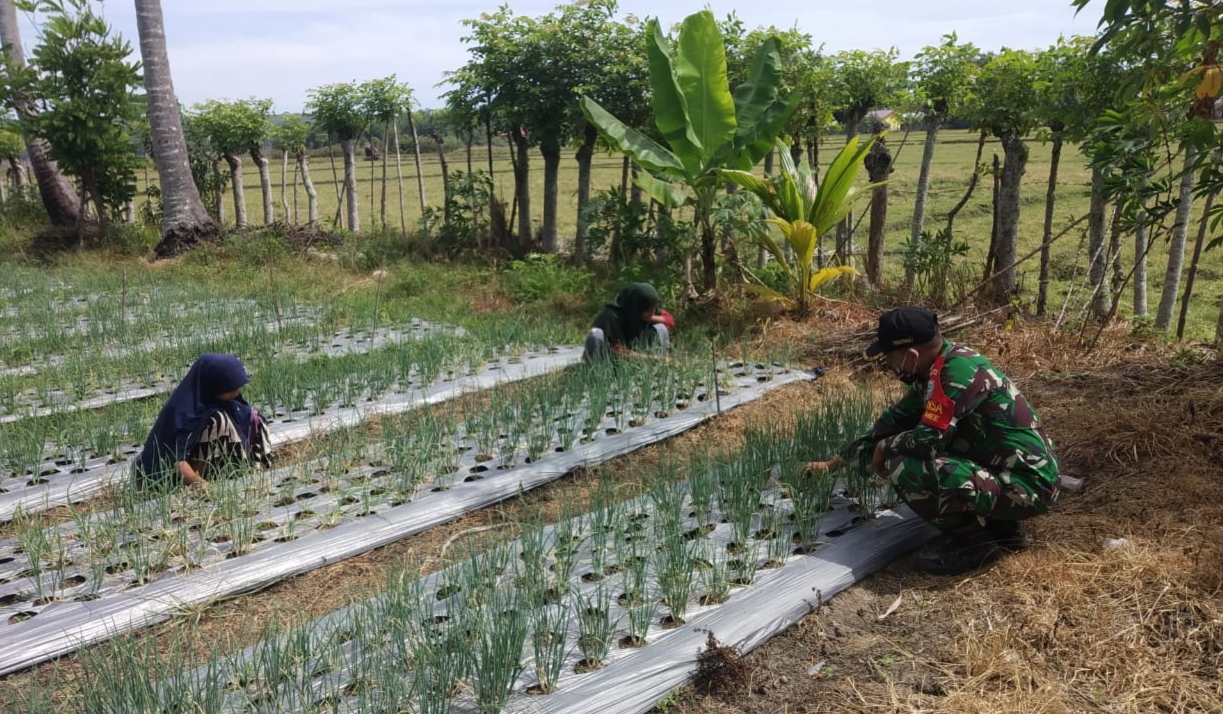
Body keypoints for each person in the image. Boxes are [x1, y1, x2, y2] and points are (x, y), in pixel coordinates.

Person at [806, 306, 1060, 574]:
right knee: (903, 447)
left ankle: (974, 546)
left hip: (1030, 486)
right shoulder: (935, 368)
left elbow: (925, 442)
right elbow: (889, 424)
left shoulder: (956, 373)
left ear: (912, 355)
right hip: (1009, 475)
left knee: (903, 466)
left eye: (890, 358)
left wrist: (884, 447)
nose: (890, 366)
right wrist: (832, 465)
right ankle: (1004, 529)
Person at [135, 353, 271, 490]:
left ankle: (251, 472)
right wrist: (203, 486)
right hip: (169, 476)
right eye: (231, 389)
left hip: (209, 466)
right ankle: (207, 477)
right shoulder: (183, 412)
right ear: (214, 385)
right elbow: (176, 460)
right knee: (219, 421)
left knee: (254, 417)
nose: (236, 393)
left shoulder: (227, 402)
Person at [582, 282, 675, 363]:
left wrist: (649, 318)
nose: (653, 312)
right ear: (636, 307)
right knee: (595, 334)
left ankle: (657, 369)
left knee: (661, 328)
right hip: (609, 360)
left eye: (654, 308)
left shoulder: (644, 312)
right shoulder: (610, 316)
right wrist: (653, 359)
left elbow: (670, 320)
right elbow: (617, 351)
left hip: (636, 357)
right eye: (650, 310)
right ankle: (593, 372)